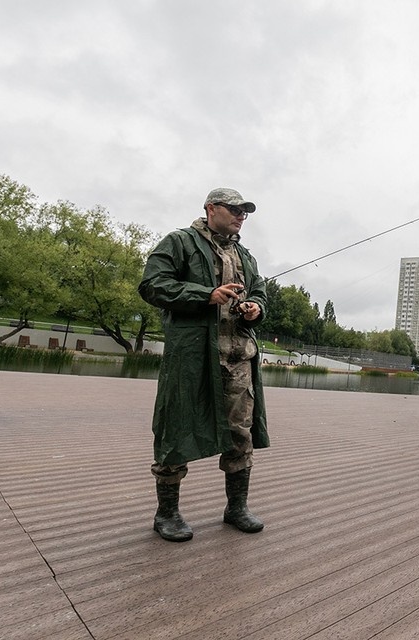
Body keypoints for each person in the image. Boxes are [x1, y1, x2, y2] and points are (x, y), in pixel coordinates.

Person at [139, 187, 270, 542]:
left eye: (245, 211)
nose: (241, 215)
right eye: (234, 209)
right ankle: (167, 514)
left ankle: (236, 508)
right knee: (175, 429)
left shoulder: (246, 255)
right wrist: (204, 295)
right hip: (193, 358)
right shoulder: (179, 242)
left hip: (238, 357)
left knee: (240, 434)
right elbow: (152, 285)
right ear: (211, 208)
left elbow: (259, 292)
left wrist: (255, 308)